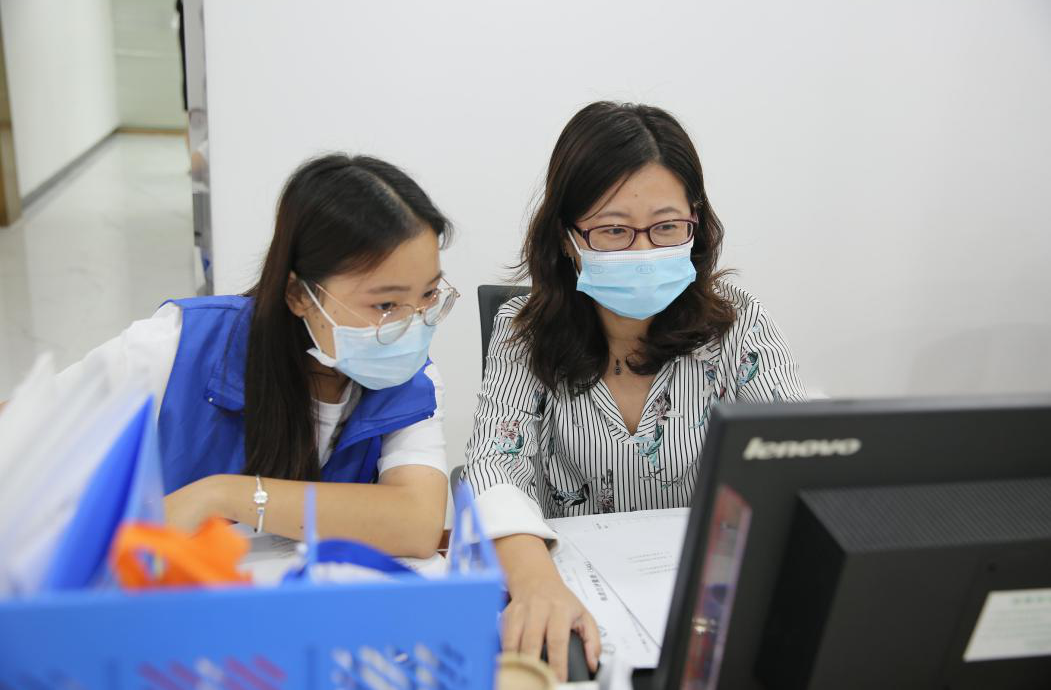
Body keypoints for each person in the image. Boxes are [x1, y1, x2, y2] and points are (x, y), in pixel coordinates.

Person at [461, 102, 807, 679]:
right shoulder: (523, 332)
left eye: (666, 227)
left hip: (707, 604)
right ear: (568, 237)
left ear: (695, 224)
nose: (644, 252)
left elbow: (795, 457)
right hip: (573, 601)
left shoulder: (737, 323)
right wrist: (536, 585)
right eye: (614, 230)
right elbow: (494, 468)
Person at [32, 154, 457, 557]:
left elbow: (417, 524)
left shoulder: (407, 376)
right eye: (385, 305)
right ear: (299, 295)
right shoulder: (177, 346)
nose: (414, 325)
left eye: (428, 294)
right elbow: (27, 441)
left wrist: (221, 495)